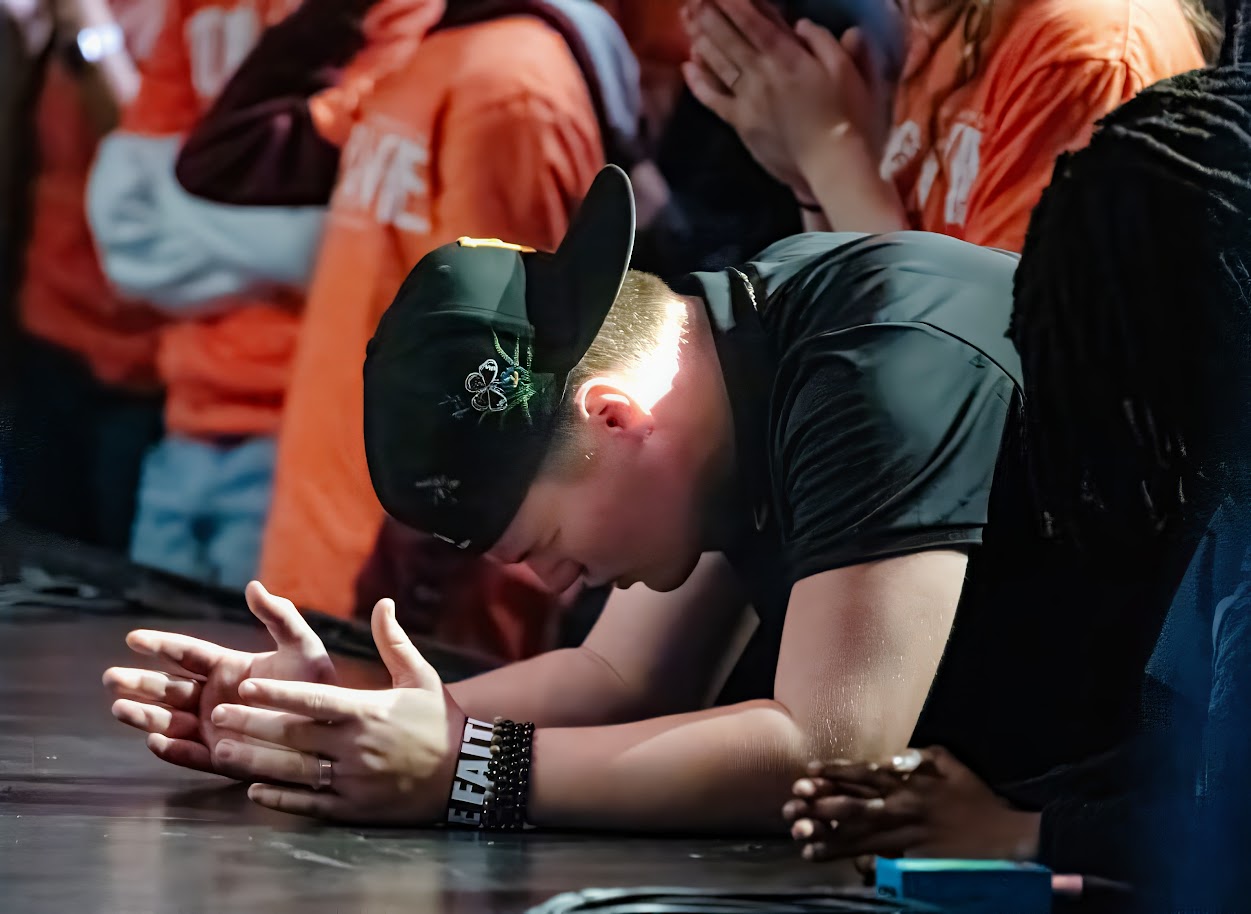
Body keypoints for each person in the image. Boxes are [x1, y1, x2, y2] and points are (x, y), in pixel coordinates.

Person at [103, 160, 1118, 832]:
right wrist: (324, 725)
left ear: (615, 416)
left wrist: (462, 772)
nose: (554, 580)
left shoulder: (874, 365)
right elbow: (617, 675)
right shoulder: (730, 362)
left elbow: (827, 747)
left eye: (540, 539)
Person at [783, 5, 1251, 905]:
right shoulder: (1223, 508)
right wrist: (1005, 800)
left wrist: (1021, 832)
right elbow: (1182, 751)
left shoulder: (1089, 45)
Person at [242, 0, 627, 650]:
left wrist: (403, 597)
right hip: (329, 563)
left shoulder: (510, 86)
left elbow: (496, 381)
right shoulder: (427, 56)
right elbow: (225, 158)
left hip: (409, 601)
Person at [85, 0, 441, 588]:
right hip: (184, 418)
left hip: (309, 434)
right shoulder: (199, 7)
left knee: (270, 645)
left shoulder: (400, 13)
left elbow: (354, 241)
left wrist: (183, 209)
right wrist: (297, 240)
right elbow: (121, 226)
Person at [683, 0, 1210, 251]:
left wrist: (831, 155)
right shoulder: (946, 24)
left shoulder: (1082, 47)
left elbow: (988, 378)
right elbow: (859, 312)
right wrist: (815, 185)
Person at [6, 0, 168, 552]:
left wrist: (92, 34)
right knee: (35, 559)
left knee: (121, 574)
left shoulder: (193, 21)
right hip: (45, 337)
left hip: (145, 362)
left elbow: (144, 169)